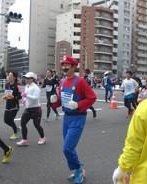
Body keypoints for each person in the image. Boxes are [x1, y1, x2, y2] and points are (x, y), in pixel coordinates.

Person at [51, 55, 96, 184]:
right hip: (67, 118)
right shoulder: (62, 82)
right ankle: (77, 169)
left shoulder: (80, 81)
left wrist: (79, 105)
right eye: (63, 64)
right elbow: (61, 102)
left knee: (67, 148)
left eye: (67, 65)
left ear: (74, 66)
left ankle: (78, 170)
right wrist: (54, 102)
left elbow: (92, 97)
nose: (64, 67)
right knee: (69, 147)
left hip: (78, 118)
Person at [16, 72, 46, 146]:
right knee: (22, 123)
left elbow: (35, 98)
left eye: (28, 78)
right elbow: (26, 96)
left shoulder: (36, 87)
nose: (26, 80)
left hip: (36, 109)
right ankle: (24, 140)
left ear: (32, 79)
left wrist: (26, 95)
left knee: (37, 125)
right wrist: (24, 100)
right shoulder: (27, 86)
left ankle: (43, 138)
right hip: (28, 109)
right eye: (26, 78)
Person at [2, 71, 21, 140]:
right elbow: (7, 94)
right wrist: (5, 97)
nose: (8, 77)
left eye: (10, 75)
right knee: (6, 120)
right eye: (8, 75)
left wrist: (14, 97)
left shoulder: (17, 85)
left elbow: (20, 96)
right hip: (8, 105)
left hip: (14, 106)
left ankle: (16, 133)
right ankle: (17, 129)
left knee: (11, 120)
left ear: (14, 77)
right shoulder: (7, 85)